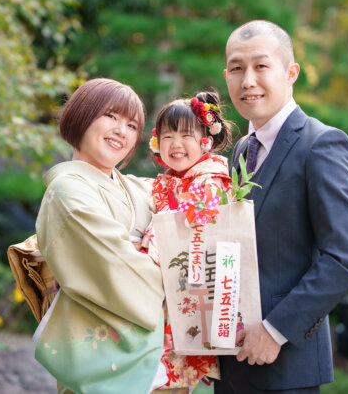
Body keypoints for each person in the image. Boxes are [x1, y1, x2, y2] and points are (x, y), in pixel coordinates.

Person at [215, 20, 348, 393]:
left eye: (261, 66)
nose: (247, 80)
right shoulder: (238, 150)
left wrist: (275, 329)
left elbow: (343, 258)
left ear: (291, 72)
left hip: (285, 367)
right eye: (236, 68)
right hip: (229, 362)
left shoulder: (322, 145)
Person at [33, 78, 166, 394]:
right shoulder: (68, 190)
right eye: (111, 116)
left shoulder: (136, 187)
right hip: (100, 362)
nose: (122, 130)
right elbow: (115, 264)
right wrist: (175, 273)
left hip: (160, 362)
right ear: (81, 116)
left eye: (132, 125)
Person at [142, 91, 233, 391]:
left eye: (185, 135)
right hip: (167, 295)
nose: (175, 144)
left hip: (189, 294)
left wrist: (143, 252)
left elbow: (185, 229)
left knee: (167, 384)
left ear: (205, 140)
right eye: (167, 136)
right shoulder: (171, 179)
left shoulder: (210, 180)